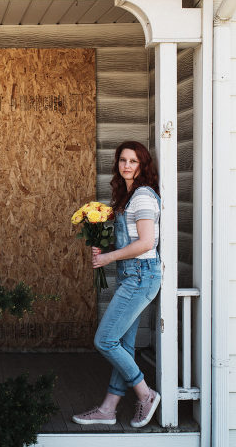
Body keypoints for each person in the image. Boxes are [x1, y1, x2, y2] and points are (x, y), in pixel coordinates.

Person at [72, 140, 162, 428]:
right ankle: (108, 409)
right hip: (132, 275)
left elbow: (147, 242)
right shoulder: (127, 196)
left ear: (143, 165)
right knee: (122, 343)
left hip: (141, 276)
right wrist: (103, 244)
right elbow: (132, 238)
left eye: (133, 161)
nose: (126, 165)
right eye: (123, 160)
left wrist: (109, 257)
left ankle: (145, 394)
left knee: (105, 340)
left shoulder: (143, 197)